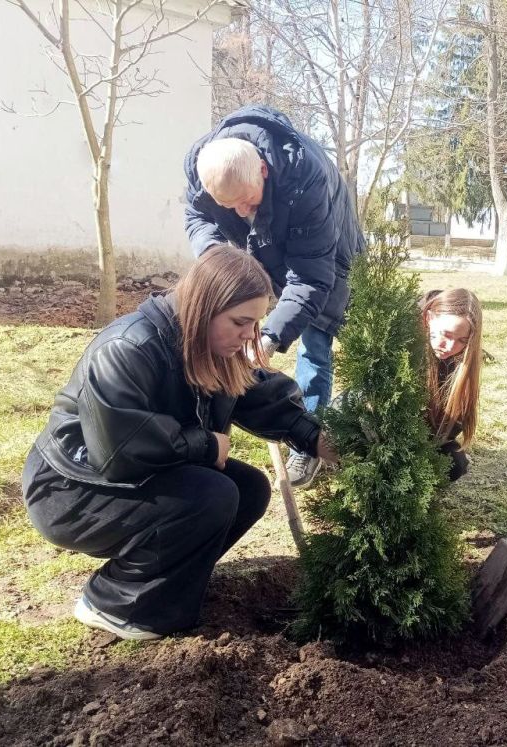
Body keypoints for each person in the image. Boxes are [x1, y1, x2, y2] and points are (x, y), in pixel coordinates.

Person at [22, 246, 337, 640]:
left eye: (255, 323)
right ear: (205, 307)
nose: (250, 335)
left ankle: (167, 583)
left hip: (136, 469)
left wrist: (314, 436)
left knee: (249, 489)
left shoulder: (214, 346)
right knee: (213, 494)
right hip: (72, 487)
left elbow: (257, 394)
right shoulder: (127, 349)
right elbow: (121, 449)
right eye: (241, 321)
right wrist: (206, 445)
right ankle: (113, 602)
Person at [183, 105, 365, 489]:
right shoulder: (204, 166)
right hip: (263, 253)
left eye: (247, 201)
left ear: (264, 170)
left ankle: (313, 436)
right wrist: (221, 261)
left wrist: (271, 335)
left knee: (315, 340)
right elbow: (197, 218)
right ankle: (302, 429)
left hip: (326, 257)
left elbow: (311, 277)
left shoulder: (306, 179)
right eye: (228, 206)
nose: (240, 211)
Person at [421, 289, 483, 482]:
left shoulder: (460, 360)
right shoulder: (402, 345)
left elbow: (455, 425)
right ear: (430, 318)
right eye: (446, 334)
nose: (449, 347)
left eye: (461, 340)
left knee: (454, 464)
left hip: (424, 441)